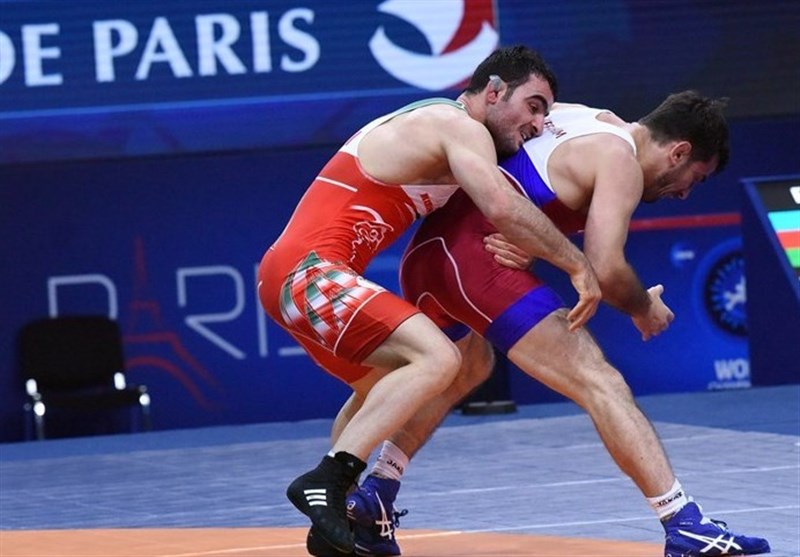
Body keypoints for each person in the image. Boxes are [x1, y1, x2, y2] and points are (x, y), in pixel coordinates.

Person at [313, 91, 771, 557]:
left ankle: (377, 494)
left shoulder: (581, 115)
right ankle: (684, 524)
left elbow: (512, 168)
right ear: (679, 151)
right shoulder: (621, 160)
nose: (686, 193)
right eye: (695, 177)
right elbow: (606, 268)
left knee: (467, 367)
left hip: (427, 255)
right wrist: (642, 308)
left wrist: (528, 238)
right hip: (473, 260)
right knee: (599, 381)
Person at [257, 45, 602, 554]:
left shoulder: (447, 137)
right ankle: (327, 480)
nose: (536, 124)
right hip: (308, 272)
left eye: (544, 114)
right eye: (532, 106)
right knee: (439, 357)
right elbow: (502, 205)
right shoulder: (456, 126)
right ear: (493, 91)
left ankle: (338, 524)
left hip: (291, 276)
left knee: (382, 391)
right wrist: (577, 264)